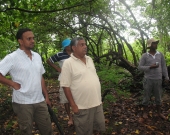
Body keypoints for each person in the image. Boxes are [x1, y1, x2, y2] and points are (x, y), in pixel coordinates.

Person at [0, 28, 52, 135]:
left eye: (33, 38)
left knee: (47, 129)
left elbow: (40, 76)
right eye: (29, 38)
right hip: (23, 102)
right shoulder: (12, 57)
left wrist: (46, 96)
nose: (32, 40)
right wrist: (12, 84)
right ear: (20, 41)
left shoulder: (37, 56)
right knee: (26, 131)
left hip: (39, 100)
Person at [60, 37, 106, 135]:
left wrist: (99, 98)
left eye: (85, 44)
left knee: (98, 129)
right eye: (81, 44)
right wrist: (73, 105)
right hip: (82, 106)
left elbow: (93, 78)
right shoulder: (68, 63)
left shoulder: (89, 59)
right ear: (74, 48)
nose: (85, 46)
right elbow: (65, 86)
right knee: (84, 131)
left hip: (97, 104)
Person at [138, 38, 169, 120]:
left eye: (156, 43)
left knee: (158, 97)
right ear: (150, 45)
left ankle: (159, 112)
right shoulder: (145, 55)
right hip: (148, 79)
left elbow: (163, 66)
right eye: (154, 43)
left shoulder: (160, 54)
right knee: (146, 96)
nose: (156, 44)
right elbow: (140, 67)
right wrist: (150, 67)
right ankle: (145, 112)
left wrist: (166, 77)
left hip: (158, 79)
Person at [46, 38, 73, 126]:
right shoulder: (60, 55)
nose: (70, 46)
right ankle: (70, 117)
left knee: (78, 98)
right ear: (65, 47)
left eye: (71, 44)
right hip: (64, 79)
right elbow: (48, 60)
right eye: (68, 45)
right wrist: (57, 68)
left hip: (76, 80)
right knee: (66, 99)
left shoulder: (76, 53)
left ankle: (78, 115)